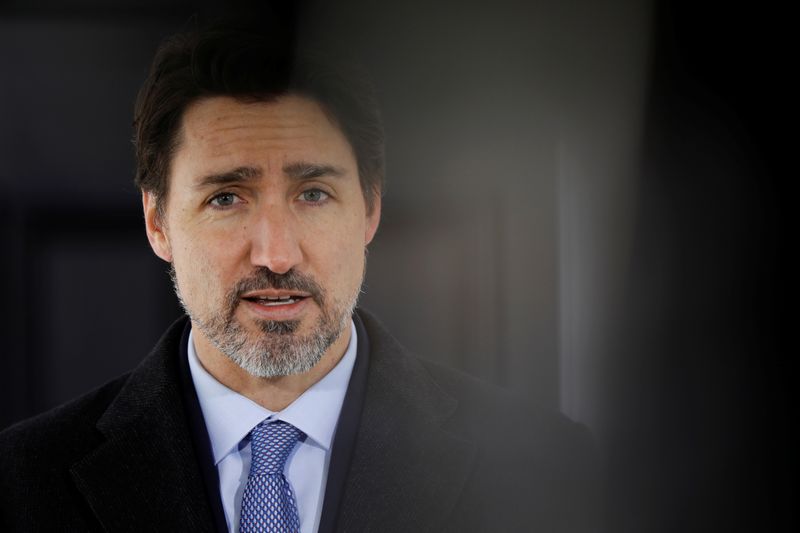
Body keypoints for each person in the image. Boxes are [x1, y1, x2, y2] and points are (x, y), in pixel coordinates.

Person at [0, 15, 598, 533]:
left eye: (313, 193)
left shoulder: (546, 471)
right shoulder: (21, 482)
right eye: (227, 198)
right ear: (158, 223)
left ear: (370, 209)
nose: (277, 255)